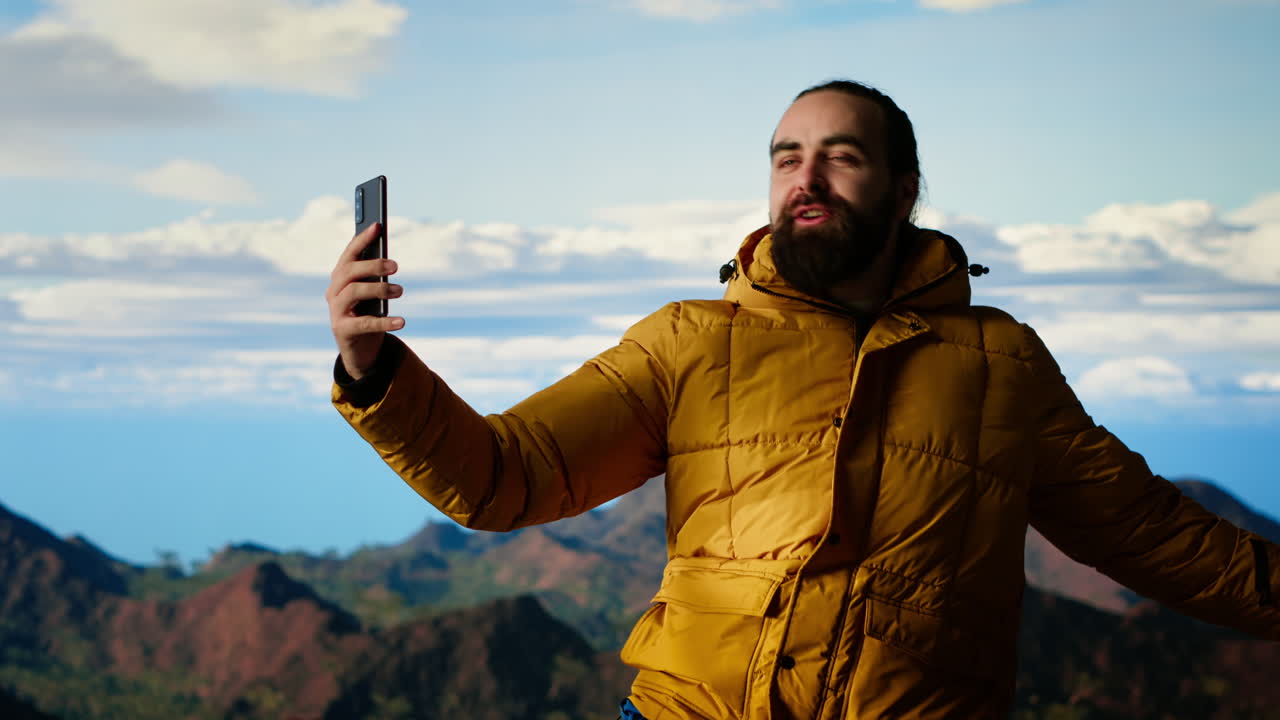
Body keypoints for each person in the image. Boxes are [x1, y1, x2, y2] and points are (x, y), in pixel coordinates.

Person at [326, 80, 1280, 720]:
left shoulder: (1004, 364)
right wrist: (374, 371)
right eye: (787, 158)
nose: (805, 179)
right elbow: (505, 480)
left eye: (840, 156)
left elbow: (1158, 539)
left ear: (904, 188)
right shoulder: (689, 340)